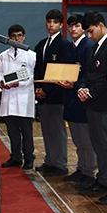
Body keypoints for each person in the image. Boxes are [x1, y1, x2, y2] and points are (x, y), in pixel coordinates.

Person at [77, 11, 107, 204]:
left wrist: (91, 91)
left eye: (90, 31)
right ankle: (103, 180)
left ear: (100, 25)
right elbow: (88, 74)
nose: (89, 36)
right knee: (98, 145)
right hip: (94, 104)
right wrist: (82, 88)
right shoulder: (95, 47)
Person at [34, 9, 72, 177]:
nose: (51, 25)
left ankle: (60, 164)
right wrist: (37, 88)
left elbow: (61, 73)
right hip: (42, 94)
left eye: (55, 22)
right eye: (49, 21)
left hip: (56, 95)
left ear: (61, 24)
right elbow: (37, 69)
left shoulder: (64, 45)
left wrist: (46, 90)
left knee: (57, 130)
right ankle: (50, 161)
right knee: (47, 130)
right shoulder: (41, 44)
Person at [60, 14, 97, 188]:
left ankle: (89, 172)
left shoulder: (88, 46)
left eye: (77, 26)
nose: (73, 29)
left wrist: (75, 84)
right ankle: (82, 168)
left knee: (86, 139)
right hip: (70, 98)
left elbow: (88, 74)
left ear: (83, 27)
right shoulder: (69, 47)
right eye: (71, 26)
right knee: (77, 138)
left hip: (81, 98)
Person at [0, 24, 37, 170]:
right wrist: (1, 82)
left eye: (19, 35)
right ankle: (15, 157)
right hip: (8, 98)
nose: (16, 38)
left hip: (24, 98)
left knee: (26, 132)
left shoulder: (31, 55)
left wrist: (19, 83)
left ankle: (29, 158)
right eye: (13, 36)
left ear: (24, 36)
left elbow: (34, 77)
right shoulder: (3, 55)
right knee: (12, 132)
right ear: (9, 38)